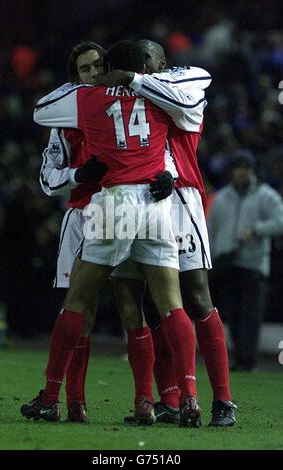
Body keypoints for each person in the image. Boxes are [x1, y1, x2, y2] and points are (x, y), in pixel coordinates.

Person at [21, 40, 201, 427]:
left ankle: (51, 397)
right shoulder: (160, 96)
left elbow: (40, 111)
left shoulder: (86, 99)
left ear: (108, 67)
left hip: (113, 201)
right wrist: (137, 80)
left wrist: (91, 84)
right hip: (155, 204)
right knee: (172, 304)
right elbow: (191, 99)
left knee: (79, 301)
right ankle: (189, 398)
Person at [99, 39, 236, 426]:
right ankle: (170, 399)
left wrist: (133, 79)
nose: (156, 66)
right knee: (149, 304)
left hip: (181, 201)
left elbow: (191, 101)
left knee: (196, 296)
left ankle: (223, 401)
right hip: (137, 199)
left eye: (152, 62)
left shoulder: (187, 78)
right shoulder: (123, 96)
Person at [39, 41, 107, 422]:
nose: (94, 73)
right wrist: (76, 174)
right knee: (82, 310)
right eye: (85, 69)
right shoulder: (63, 122)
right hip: (83, 215)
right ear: (75, 76)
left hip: (129, 212)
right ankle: (75, 401)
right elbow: (48, 178)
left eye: (98, 65)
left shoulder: (130, 103)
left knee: (140, 306)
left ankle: (158, 400)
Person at [208, 149, 283, 371]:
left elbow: (281, 221)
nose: (242, 172)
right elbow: (211, 230)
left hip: (253, 263)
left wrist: (256, 229)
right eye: (238, 168)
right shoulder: (222, 197)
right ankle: (240, 357)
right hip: (227, 262)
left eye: (246, 168)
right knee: (232, 313)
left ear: (252, 170)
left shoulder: (265, 195)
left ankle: (247, 359)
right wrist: (210, 259)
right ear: (232, 171)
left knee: (250, 313)